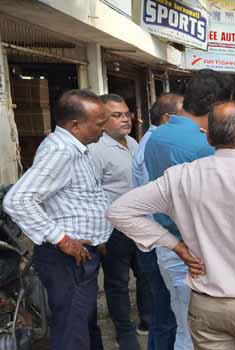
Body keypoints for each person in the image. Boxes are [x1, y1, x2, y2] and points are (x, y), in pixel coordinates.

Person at [107, 101, 235, 350]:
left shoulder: (180, 177)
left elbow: (119, 210)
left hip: (206, 307)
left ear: (208, 136)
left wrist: (174, 244)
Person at [2, 89, 110, 350]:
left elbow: (79, 200)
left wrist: (99, 235)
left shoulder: (76, 149)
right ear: (75, 125)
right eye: (99, 124)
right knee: (72, 333)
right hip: (67, 261)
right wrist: (62, 239)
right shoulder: (61, 151)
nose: (103, 129)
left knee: (82, 325)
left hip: (81, 256)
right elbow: (17, 200)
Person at [143, 69, 233, 350]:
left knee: (183, 325)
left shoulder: (156, 136)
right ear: (216, 105)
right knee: (202, 334)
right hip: (197, 251)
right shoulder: (204, 146)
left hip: (167, 244)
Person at [88, 93, 150, 350]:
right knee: (117, 282)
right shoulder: (95, 150)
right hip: (113, 229)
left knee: (145, 274)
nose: (125, 119)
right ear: (102, 120)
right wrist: (99, 235)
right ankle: (124, 332)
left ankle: (146, 321)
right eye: (117, 115)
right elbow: (91, 193)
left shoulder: (133, 143)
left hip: (139, 223)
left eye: (127, 114)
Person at [131, 93, 184, 350]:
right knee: (165, 316)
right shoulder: (157, 144)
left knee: (166, 313)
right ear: (167, 118)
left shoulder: (154, 141)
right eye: (184, 115)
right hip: (158, 239)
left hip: (157, 237)